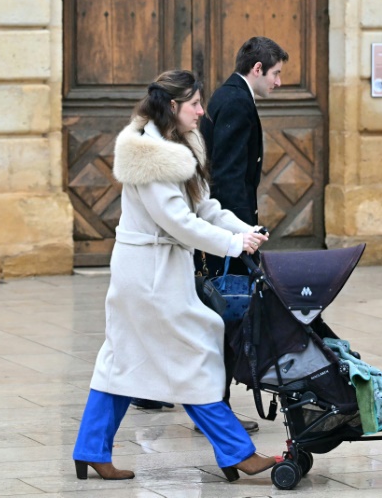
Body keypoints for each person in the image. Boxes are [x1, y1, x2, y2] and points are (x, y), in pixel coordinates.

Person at [72, 69, 274, 482]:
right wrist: (232, 246)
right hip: (149, 275)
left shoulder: (174, 145)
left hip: (151, 272)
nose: (203, 110)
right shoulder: (152, 155)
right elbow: (179, 222)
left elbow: (204, 207)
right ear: (172, 107)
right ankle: (236, 451)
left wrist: (242, 229)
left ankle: (90, 448)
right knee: (195, 352)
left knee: (122, 358)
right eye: (195, 104)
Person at [197, 36, 288, 428]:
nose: (279, 82)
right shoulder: (235, 100)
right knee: (226, 318)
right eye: (277, 74)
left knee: (220, 317)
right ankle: (214, 408)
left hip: (227, 227)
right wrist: (241, 236)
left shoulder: (232, 95)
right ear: (257, 70)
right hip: (227, 233)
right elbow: (229, 176)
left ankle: (205, 404)